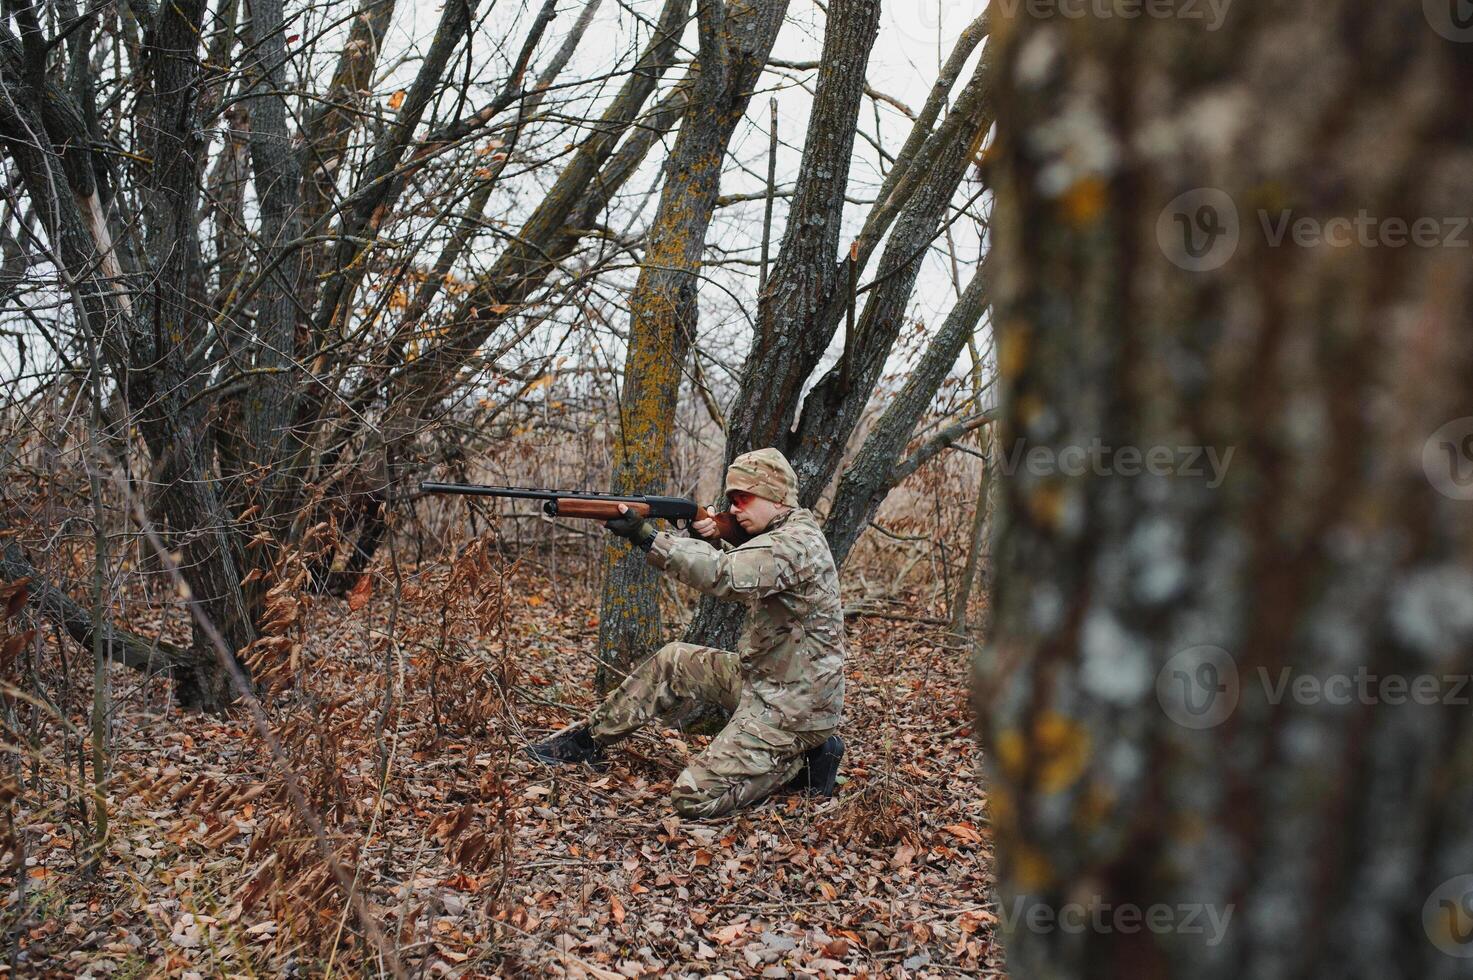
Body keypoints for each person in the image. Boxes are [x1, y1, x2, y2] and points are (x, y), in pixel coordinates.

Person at [526, 448, 847, 819]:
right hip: (765, 681)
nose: (735, 508)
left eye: (743, 498)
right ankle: (586, 742)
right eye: (731, 501)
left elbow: (725, 576)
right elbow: (749, 563)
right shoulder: (781, 535)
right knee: (674, 660)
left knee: (692, 798)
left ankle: (803, 760)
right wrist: (710, 536)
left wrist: (648, 537)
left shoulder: (796, 543)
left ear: (776, 497)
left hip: (795, 707)